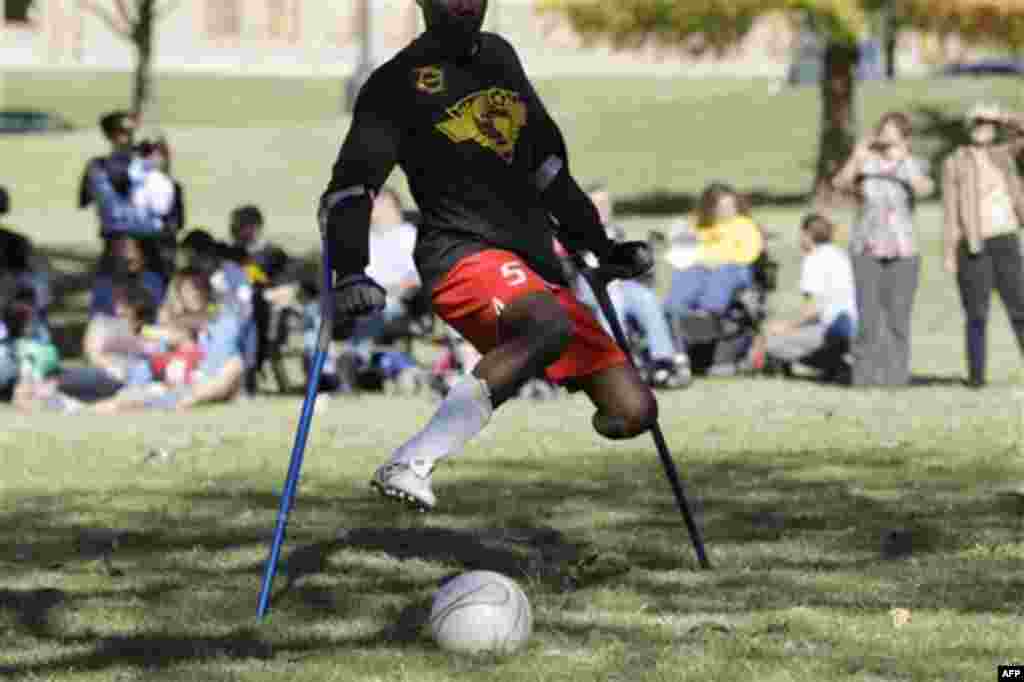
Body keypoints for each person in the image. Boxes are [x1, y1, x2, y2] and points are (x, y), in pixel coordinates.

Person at [318, 0, 658, 512]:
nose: (465, 4)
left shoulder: (500, 57)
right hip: (459, 254)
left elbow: (547, 169)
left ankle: (527, 377)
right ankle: (412, 461)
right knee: (546, 327)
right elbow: (350, 189)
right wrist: (350, 271)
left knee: (634, 411)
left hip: (531, 264)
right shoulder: (396, 83)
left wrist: (602, 246)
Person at [834, 111, 935, 387]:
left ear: (905, 137)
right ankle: (864, 378)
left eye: (894, 130)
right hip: (866, 248)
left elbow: (925, 189)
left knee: (898, 318)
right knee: (868, 318)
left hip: (903, 250)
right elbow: (839, 185)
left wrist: (904, 161)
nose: (887, 134)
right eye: (884, 129)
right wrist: (857, 156)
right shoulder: (865, 163)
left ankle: (895, 378)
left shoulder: (914, 164)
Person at [570, 183, 690, 389]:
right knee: (613, 298)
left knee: (646, 297)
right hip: (589, 287)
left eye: (606, 203)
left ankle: (663, 362)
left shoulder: (616, 231)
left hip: (620, 284)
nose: (603, 208)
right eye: (597, 204)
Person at [942, 103, 1024, 389]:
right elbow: (951, 212)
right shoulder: (955, 161)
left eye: (987, 124)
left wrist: (1002, 115)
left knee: (1020, 309)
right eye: (977, 124)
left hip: (1005, 239)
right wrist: (949, 253)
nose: (982, 129)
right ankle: (976, 378)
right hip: (973, 246)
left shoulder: (1006, 154)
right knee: (976, 314)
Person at [748, 214, 857, 382]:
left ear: (806, 235)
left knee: (771, 342)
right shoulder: (840, 255)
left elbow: (813, 309)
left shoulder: (813, 259)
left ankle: (836, 365)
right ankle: (839, 364)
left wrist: (785, 327)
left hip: (836, 331)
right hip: (857, 328)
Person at [663, 183, 763, 323]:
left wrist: (718, 260)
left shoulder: (744, 225)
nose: (730, 210)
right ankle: (674, 310)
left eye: (732, 206)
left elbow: (748, 254)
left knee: (723, 272)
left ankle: (708, 313)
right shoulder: (697, 224)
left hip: (734, 268)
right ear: (711, 208)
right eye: (723, 207)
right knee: (687, 272)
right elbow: (680, 253)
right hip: (701, 267)